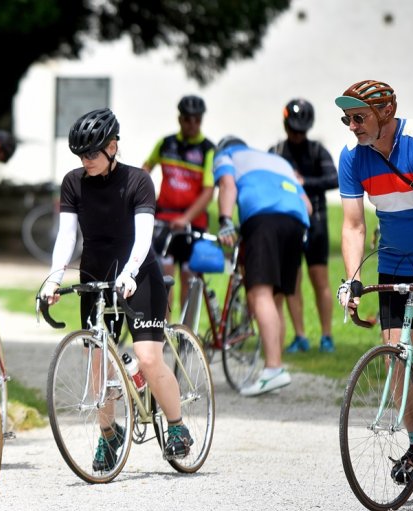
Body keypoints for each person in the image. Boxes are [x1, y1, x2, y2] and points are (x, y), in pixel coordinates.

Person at [39, 108, 193, 469]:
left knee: (149, 357)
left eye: (92, 153)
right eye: (80, 154)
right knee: (97, 363)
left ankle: (176, 427)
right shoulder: (73, 182)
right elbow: (67, 235)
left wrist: (130, 272)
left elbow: (143, 237)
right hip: (95, 274)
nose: (85, 161)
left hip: (139, 274)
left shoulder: (138, 181)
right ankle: (109, 437)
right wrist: (54, 275)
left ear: (112, 147)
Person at [335, 79, 413, 483]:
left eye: (359, 117)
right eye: (347, 118)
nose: (352, 125)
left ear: (385, 114)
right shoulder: (351, 157)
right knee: (397, 356)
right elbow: (354, 226)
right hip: (394, 261)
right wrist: (352, 280)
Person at [213, 136, 311, 397]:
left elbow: (227, 184)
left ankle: (273, 369)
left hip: (263, 219)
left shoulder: (226, 156)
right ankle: (274, 368)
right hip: (298, 222)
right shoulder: (279, 162)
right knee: (276, 298)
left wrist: (224, 221)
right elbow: (309, 206)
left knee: (259, 293)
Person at [269, 98, 339, 354]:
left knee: (320, 280)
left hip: (316, 223)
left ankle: (327, 336)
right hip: (288, 225)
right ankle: (300, 336)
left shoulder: (317, 150)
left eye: (301, 131)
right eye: (293, 130)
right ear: (286, 125)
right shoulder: (275, 152)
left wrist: (303, 181)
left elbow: (334, 179)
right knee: (292, 282)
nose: (297, 135)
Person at [142, 94, 216, 315]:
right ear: (180, 119)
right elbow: (145, 170)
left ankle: (185, 332)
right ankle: (162, 330)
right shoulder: (165, 144)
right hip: (164, 220)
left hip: (192, 223)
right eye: (187, 119)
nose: (192, 124)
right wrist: (145, 199)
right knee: (164, 277)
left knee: (188, 278)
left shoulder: (207, 149)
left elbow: (209, 191)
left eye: (197, 120)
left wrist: (186, 218)